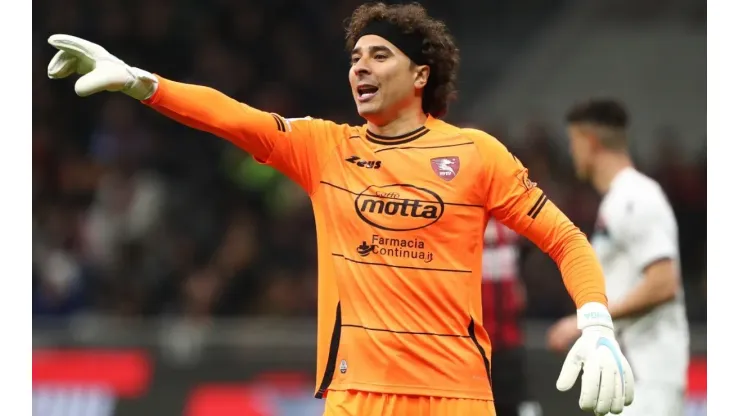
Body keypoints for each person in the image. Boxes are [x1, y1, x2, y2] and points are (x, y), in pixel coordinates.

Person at [46, 3, 633, 415]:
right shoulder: (326, 148)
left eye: (379, 55)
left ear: (420, 74)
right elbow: (233, 116)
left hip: (457, 395)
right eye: (355, 56)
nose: (359, 67)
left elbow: (567, 240)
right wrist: (141, 82)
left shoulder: (476, 155)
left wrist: (597, 322)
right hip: (360, 397)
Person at [548, 98, 689, 416]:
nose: (572, 153)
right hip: (632, 372)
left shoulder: (636, 197)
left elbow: (663, 284)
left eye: (574, 142)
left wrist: (585, 321)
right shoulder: (618, 199)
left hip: (649, 375)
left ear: (590, 142)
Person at [481, 220, 542, 416]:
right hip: (471, 339)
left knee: (514, 403)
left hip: (508, 338)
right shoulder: (460, 214)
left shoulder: (510, 218)